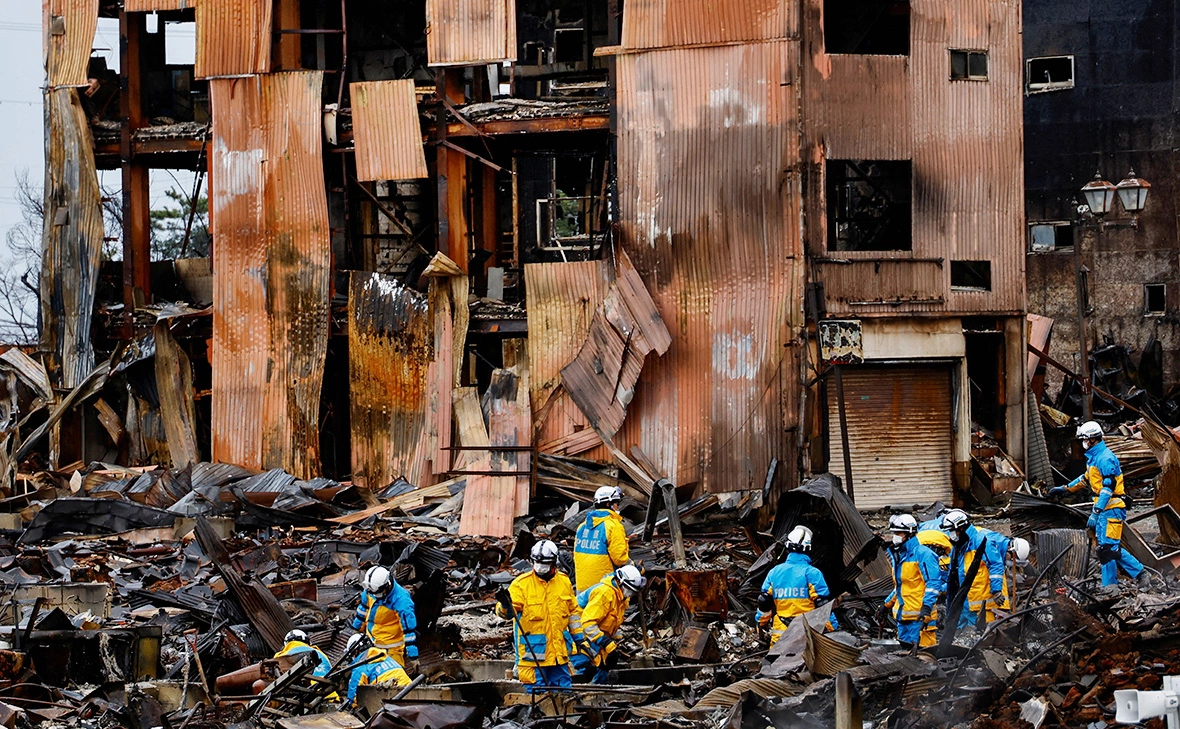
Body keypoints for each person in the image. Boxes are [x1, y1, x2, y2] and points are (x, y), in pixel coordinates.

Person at [1049, 420, 1149, 589]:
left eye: (1085, 440)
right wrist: (1065, 489)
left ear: (1093, 439)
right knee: (1104, 550)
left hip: (1112, 508)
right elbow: (1085, 479)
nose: (1083, 443)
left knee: (1109, 548)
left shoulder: (1105, 458)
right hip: (1105, 509)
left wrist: (1095, 512)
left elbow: (1107, 489)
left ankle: (1140, 573)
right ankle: (1109, 586)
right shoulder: (1094, 458)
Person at [496, 540, 584, 692]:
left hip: (558, 655)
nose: (540, 566)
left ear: (554, 562)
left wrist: (580, 638)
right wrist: (504, 605)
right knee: (537, 699)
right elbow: (508, 613)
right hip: (533, 657)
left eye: (544, 562)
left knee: (564, 695)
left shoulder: (563, 582)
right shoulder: (521, 585)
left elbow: (573, 613)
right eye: (537, 562)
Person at [754, 526, 838, 645]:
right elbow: (823, 606)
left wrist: (760, 624)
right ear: (808, 549)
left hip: (781, 637)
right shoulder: (813, 573)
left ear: (787, 547)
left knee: (776, 663)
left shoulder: (774, 572)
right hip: (805, 635)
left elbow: (764, 603)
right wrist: (834, 629)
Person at [571, 565, 646, 683]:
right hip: (577, 631)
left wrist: (618, 638)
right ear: (621, 582)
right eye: (630, 590)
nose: (631, 594)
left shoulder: (621, 597)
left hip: (592, 632)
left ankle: (600, 692)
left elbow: (611, 621)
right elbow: (587, 623)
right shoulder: (605, 594)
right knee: (587, 666)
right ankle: (576, 694)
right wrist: (606, 643)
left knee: (606, 665)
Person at [883, 514, 944, 650]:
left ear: (909, 533)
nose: (895, 536)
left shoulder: (924, 555)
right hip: (903, 619)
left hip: (920, 618)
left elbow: (933, 584)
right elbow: (901, 586)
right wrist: (886, 605)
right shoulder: (899, 556)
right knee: (904, 660)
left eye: (899, 533)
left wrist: (926, 607)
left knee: (924, 659)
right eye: (894, 533)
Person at [941, 509, 1007, 629]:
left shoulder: (981, 541)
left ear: (960, 528)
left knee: (983, 637)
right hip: (964, 602)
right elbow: (955, 575)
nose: (950, 534)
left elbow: (995, 565)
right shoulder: (958, 547)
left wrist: (996, 591)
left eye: (951, 530)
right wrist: (943, 589)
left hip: (982, 603)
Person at [352, 565, 418, 667]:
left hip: (391, 649)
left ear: (387, 585)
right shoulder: (371, 590)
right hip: (372, 642)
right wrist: (356, 628)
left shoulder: (402, 601)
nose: (375, 596)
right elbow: (363, 609)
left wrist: (413, 656)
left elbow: (408, 629)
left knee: (394, 676)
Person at [574, 486, 631, 593]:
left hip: (582, 589)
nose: (618, 507)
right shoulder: (613, 526)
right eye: (616, 504)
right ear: (608, 504)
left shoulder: (582, 527)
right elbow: (620, 559)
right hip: (604, 589)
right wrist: (633, 565)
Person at [343, 633, 410, 706]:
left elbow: (354, 698)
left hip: (392, 701)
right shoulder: (387, 658)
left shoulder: (359, 668)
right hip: (411, 693)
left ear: (356, 652)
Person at [915, 530, 953, 648]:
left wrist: (944, 588)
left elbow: (953, 578)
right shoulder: (922, 558)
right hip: (925, 602)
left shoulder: (944, 560)